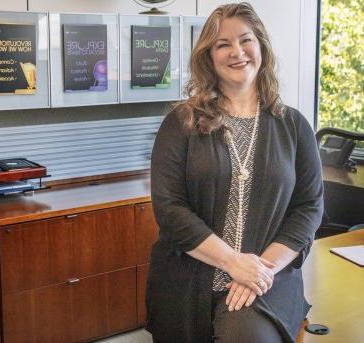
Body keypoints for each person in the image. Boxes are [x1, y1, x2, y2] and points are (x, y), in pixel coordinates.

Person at [146, 3, 324, 342]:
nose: (237, 52)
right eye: (222, 44)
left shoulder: (294, 126)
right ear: (208, 57)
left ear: (261, 47)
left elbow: (309, 207)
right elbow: (170, 209)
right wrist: (232, 262)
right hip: (189, 281)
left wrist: (258, 271)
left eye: (246, 40)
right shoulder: (180, 123)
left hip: (265, 283)